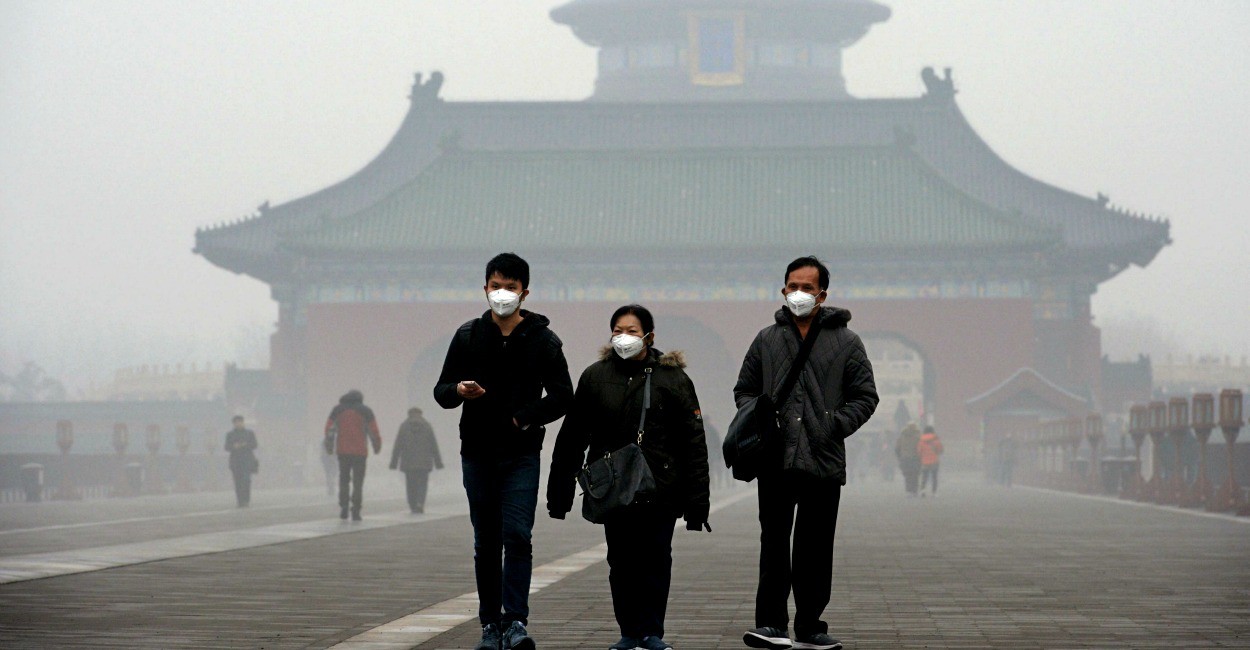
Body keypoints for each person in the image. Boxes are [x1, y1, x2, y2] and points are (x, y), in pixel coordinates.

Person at [733, 256, 879, 650]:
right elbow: (744, 388)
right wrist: (760, 417)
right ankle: (770, 624)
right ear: (783, 290)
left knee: (815, 546)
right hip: (775, 459)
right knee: (774, 543)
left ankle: (811, 625)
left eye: (807, 288)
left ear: (822, 294)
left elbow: (866, 396)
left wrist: (834, 425)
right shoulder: (766, 339)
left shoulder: (847, 341)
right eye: (792, 286)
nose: (798, 294)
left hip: (822, 457)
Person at [547, 304, 710, 650]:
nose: (625, 337)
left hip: (659, 487)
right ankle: (629, 631)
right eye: (619, 329)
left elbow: (693, 443)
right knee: (620, 561)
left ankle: (652, 631)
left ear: (650, 336)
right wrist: (559, 494)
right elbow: (573, 436)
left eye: (633, 331)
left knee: (655, 559)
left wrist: (698, 503)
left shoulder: (674, 379)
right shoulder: (595, 377)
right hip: (614, 488)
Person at [433, 252, 574, 650]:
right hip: (477, 452)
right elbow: (442, 391)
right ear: (484, 289)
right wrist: (459, 391)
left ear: (524, 293)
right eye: (496, 286)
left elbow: (563, 396)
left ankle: (515, 621)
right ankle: (489, 625)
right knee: (485, 541)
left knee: (517, 535)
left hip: (521, 454)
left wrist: (523, 418)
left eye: (510, 288)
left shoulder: (544, 340)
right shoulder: (467, 336)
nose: (502, 294)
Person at [323, 389, 382, 521]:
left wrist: (329, 446)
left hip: (343, 451)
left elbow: (330, 430)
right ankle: (356, 510)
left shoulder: (337, 410)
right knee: (358, 482)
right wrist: (376, 445)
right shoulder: (365, 411)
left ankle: (344, 506)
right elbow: (373, 430)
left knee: (344, 480)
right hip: (360, 452)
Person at [390, 406, 444, 513]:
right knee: (422, 484)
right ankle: (420, 503)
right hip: (424, 462)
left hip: (408, 462)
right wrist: (438, 462)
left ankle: (412, 505)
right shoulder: (427, 426)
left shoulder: (404, 426)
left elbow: (398, 445)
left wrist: (394, 462)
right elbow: (433, 445)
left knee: (410, 484)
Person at [224, 415, 257, 507]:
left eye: (240, 422)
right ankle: (240, 501)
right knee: (238, 482)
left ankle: (246, 500)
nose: (238, 424)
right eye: (236, 422)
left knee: (246, 480)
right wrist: (234, 447)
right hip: (235, 461)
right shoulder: (230, 435)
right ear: (233, 424)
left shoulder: (250, 433)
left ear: (243, 422)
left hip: (247, 460)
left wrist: (244, 445)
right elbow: (226, 447)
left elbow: (254, 445)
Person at [895, 423, 922, 496]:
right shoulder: (918, 437)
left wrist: (900, 457)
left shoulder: (902, 437)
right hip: (915, 458)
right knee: (915, 475)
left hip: (905, 458)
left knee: (907, 475)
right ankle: (914, 491)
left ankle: (909, 490)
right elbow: (921, 448)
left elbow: (897, 449)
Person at [918, 425, 944, 496]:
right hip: (934, 461)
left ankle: (923, 490)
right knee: (934, 477)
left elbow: (919, 452)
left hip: (925, 461)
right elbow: (940, 450)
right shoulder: (936, 440)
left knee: (924, 477)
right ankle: (934, 492)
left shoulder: (921, 441)